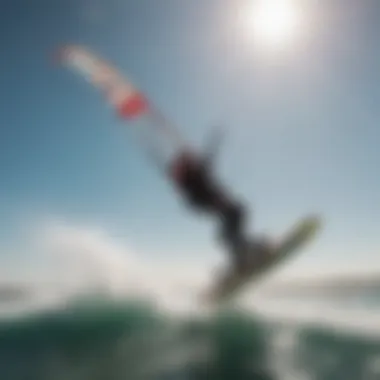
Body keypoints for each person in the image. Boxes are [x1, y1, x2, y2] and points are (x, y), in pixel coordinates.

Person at [168, 148, 267, 273]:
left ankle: (254, 253)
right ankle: (246, 258)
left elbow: (204, 165)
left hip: (228, 207)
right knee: (227, 236)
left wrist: (197, 160)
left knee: (230, 235)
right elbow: (195, 201)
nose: (176, 175)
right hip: (221, 208)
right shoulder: (189, 183)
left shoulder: (196, 174)